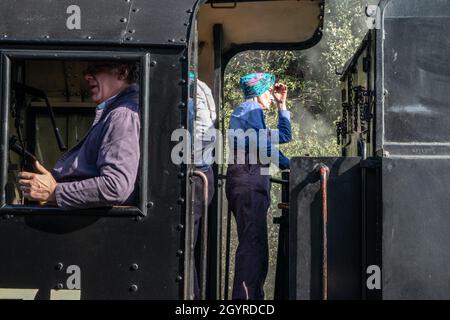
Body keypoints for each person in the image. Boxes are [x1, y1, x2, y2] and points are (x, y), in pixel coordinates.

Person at [17, 61, 140, 209]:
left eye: (96, 68)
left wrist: (54, 191)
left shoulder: (121, 115)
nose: (87, 76)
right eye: (87, 71)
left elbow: (115, 186)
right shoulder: (116, 113)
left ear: (123, 72)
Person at [226, 72, 291, 300]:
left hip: (253, 180)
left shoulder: (254, 116)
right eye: (269, 93)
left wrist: (283, 105)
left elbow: (284, 135)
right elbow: (262, 146)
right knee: (252, 245)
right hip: (249, 180)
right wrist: (289, 165)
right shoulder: (249, 110)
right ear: (258, 93)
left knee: (257, 245)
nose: (271, 98)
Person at [188, 72, 217, 299]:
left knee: (186, 246)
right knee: (190, 245)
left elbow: (199, 134)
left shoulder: (190, 88)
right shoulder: (202, 87)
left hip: (194, 172)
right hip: (202, 171)